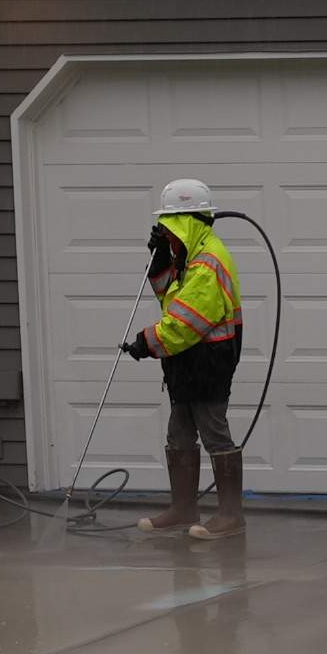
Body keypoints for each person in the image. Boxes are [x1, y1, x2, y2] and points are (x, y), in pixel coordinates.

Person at [124, 177, 245, 540]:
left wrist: (147, 342)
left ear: (186, 223)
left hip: (208, 360)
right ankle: (183, 508)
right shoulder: (189, 256)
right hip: (184, 361)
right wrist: (160, 263)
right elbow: (171, 299)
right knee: (179, 434)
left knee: (213, 432)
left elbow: (186, 322)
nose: (167, 234)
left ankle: (230, 515)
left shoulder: (208, 262)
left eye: (170, 229)